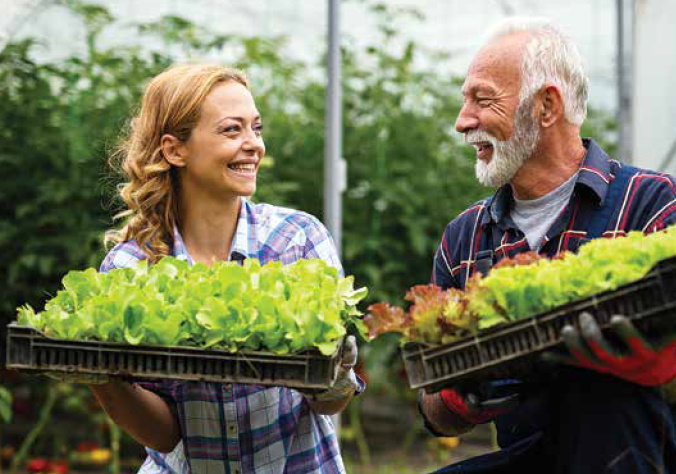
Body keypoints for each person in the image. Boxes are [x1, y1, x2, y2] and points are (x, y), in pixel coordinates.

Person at [419, 17, 676, 474]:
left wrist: (659, 366)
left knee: (603, 398)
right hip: (531, 457)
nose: (462, 122)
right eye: (465, 101)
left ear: (547, 106)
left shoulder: (652, 204)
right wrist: (467, 395)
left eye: (482, 99)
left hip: (643, 451)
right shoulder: (465, 236)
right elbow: (434, 412)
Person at [88, 63, 363, 474]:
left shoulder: (296, 240)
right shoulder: (131, 268)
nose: (253, 144)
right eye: (232, 130)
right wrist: (101, 378)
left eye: (256, 128)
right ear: (174, 149)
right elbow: (165, 435)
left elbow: (330, 401)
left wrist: (336, 367)